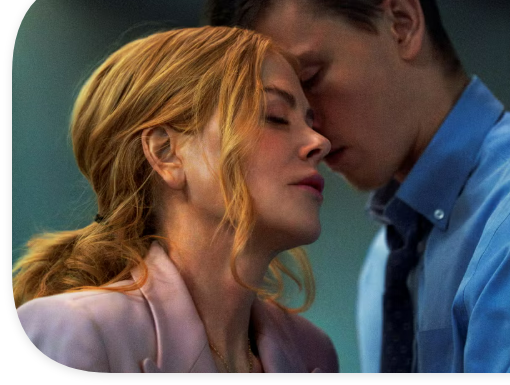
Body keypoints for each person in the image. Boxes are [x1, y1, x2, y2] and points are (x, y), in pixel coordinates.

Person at [205, 0, 510, 373]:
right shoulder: (383, 261)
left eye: (311, 79)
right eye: (277, 111)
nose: (311, 134)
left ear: (401, 22)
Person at [14, 26, 339, 373]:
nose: (319, 142)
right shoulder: (77, 331)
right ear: (166, 152)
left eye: (310, 122)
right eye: (275, 116)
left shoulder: (314, 353)